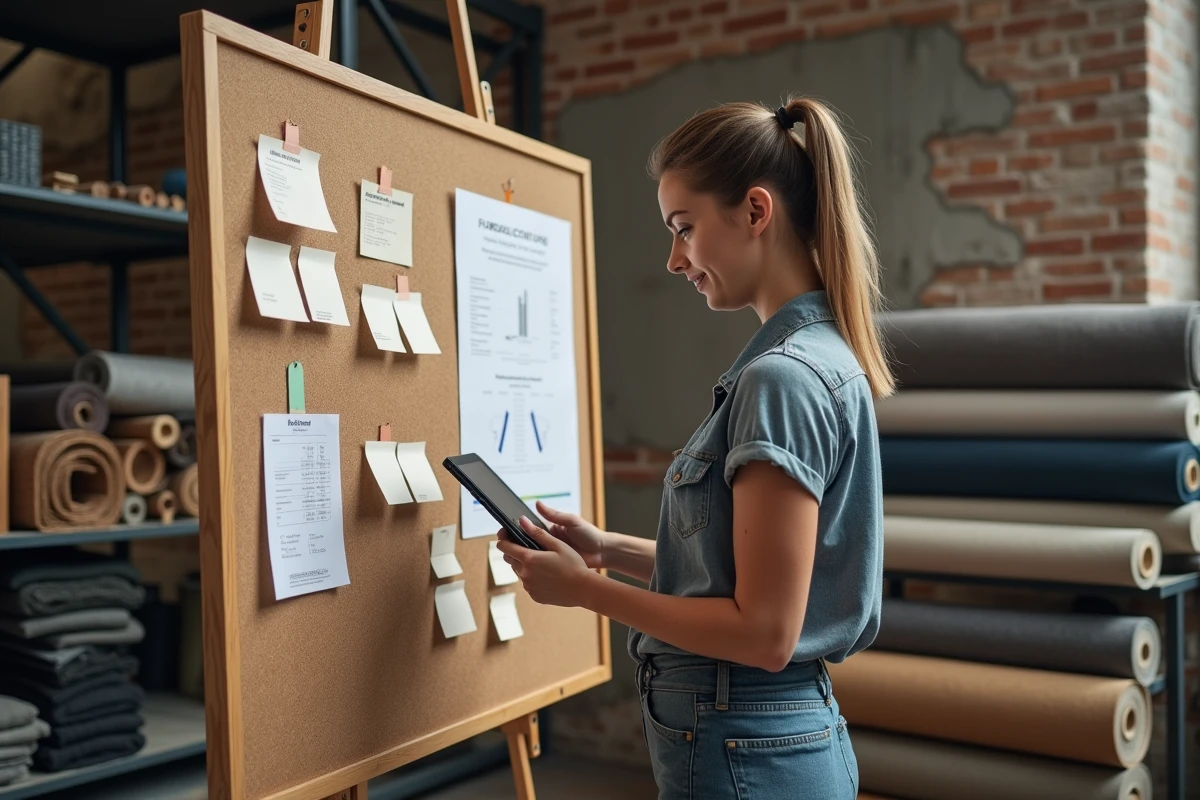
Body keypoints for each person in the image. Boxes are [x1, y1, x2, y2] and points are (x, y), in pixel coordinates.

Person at [495, 95, 893, 799]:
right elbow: (746, 575)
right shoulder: (819, 358)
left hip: (747, 742)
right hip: (765, 739)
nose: (675, 259)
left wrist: (587, 592)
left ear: (756, 212)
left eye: (684, 228)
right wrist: (606, 550)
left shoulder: (783, 379)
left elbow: (765, 631)